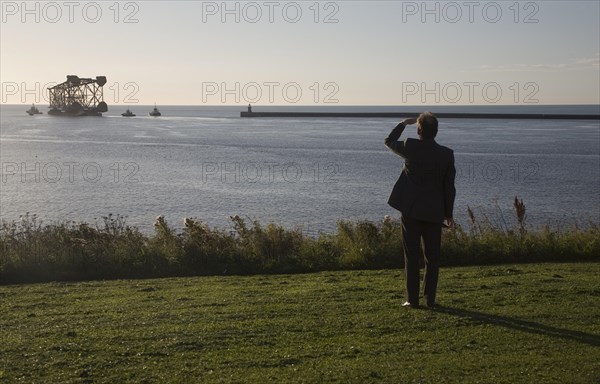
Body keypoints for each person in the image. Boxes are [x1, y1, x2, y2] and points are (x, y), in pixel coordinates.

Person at [384, 112, 456, 308]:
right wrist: (448, 214)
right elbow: (449, 187)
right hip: (434, 211)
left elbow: (389, 141)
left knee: (411, 255)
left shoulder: (410, 146)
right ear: (436, 131)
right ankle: (430, 300)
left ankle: (412, 299)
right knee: (432, 258)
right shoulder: (447, 154)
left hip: (411, 209)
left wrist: (402, 124)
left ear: (419, 130)